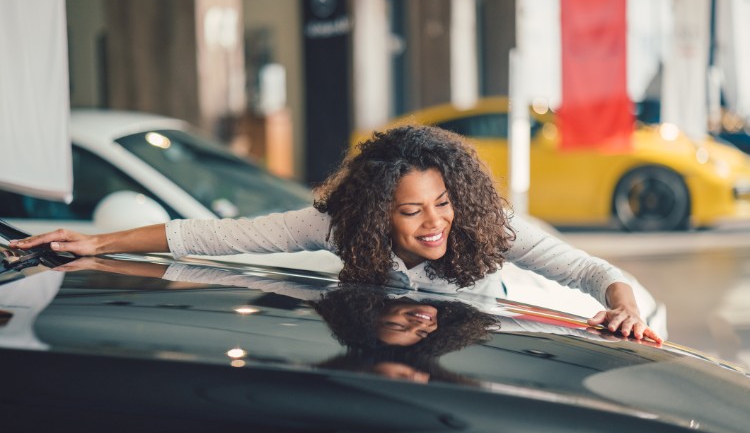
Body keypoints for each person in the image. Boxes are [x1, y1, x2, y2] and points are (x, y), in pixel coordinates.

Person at [8, 125, 662, 343]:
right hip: (375, 366)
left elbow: (588, 270)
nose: (434, 223)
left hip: (486, 351)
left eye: (441, 202)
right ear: (379, 213)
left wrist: (624, 309)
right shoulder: (336, 226)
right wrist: (96, 245)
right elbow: (213, 237)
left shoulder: (485, 227)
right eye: (412, 211)